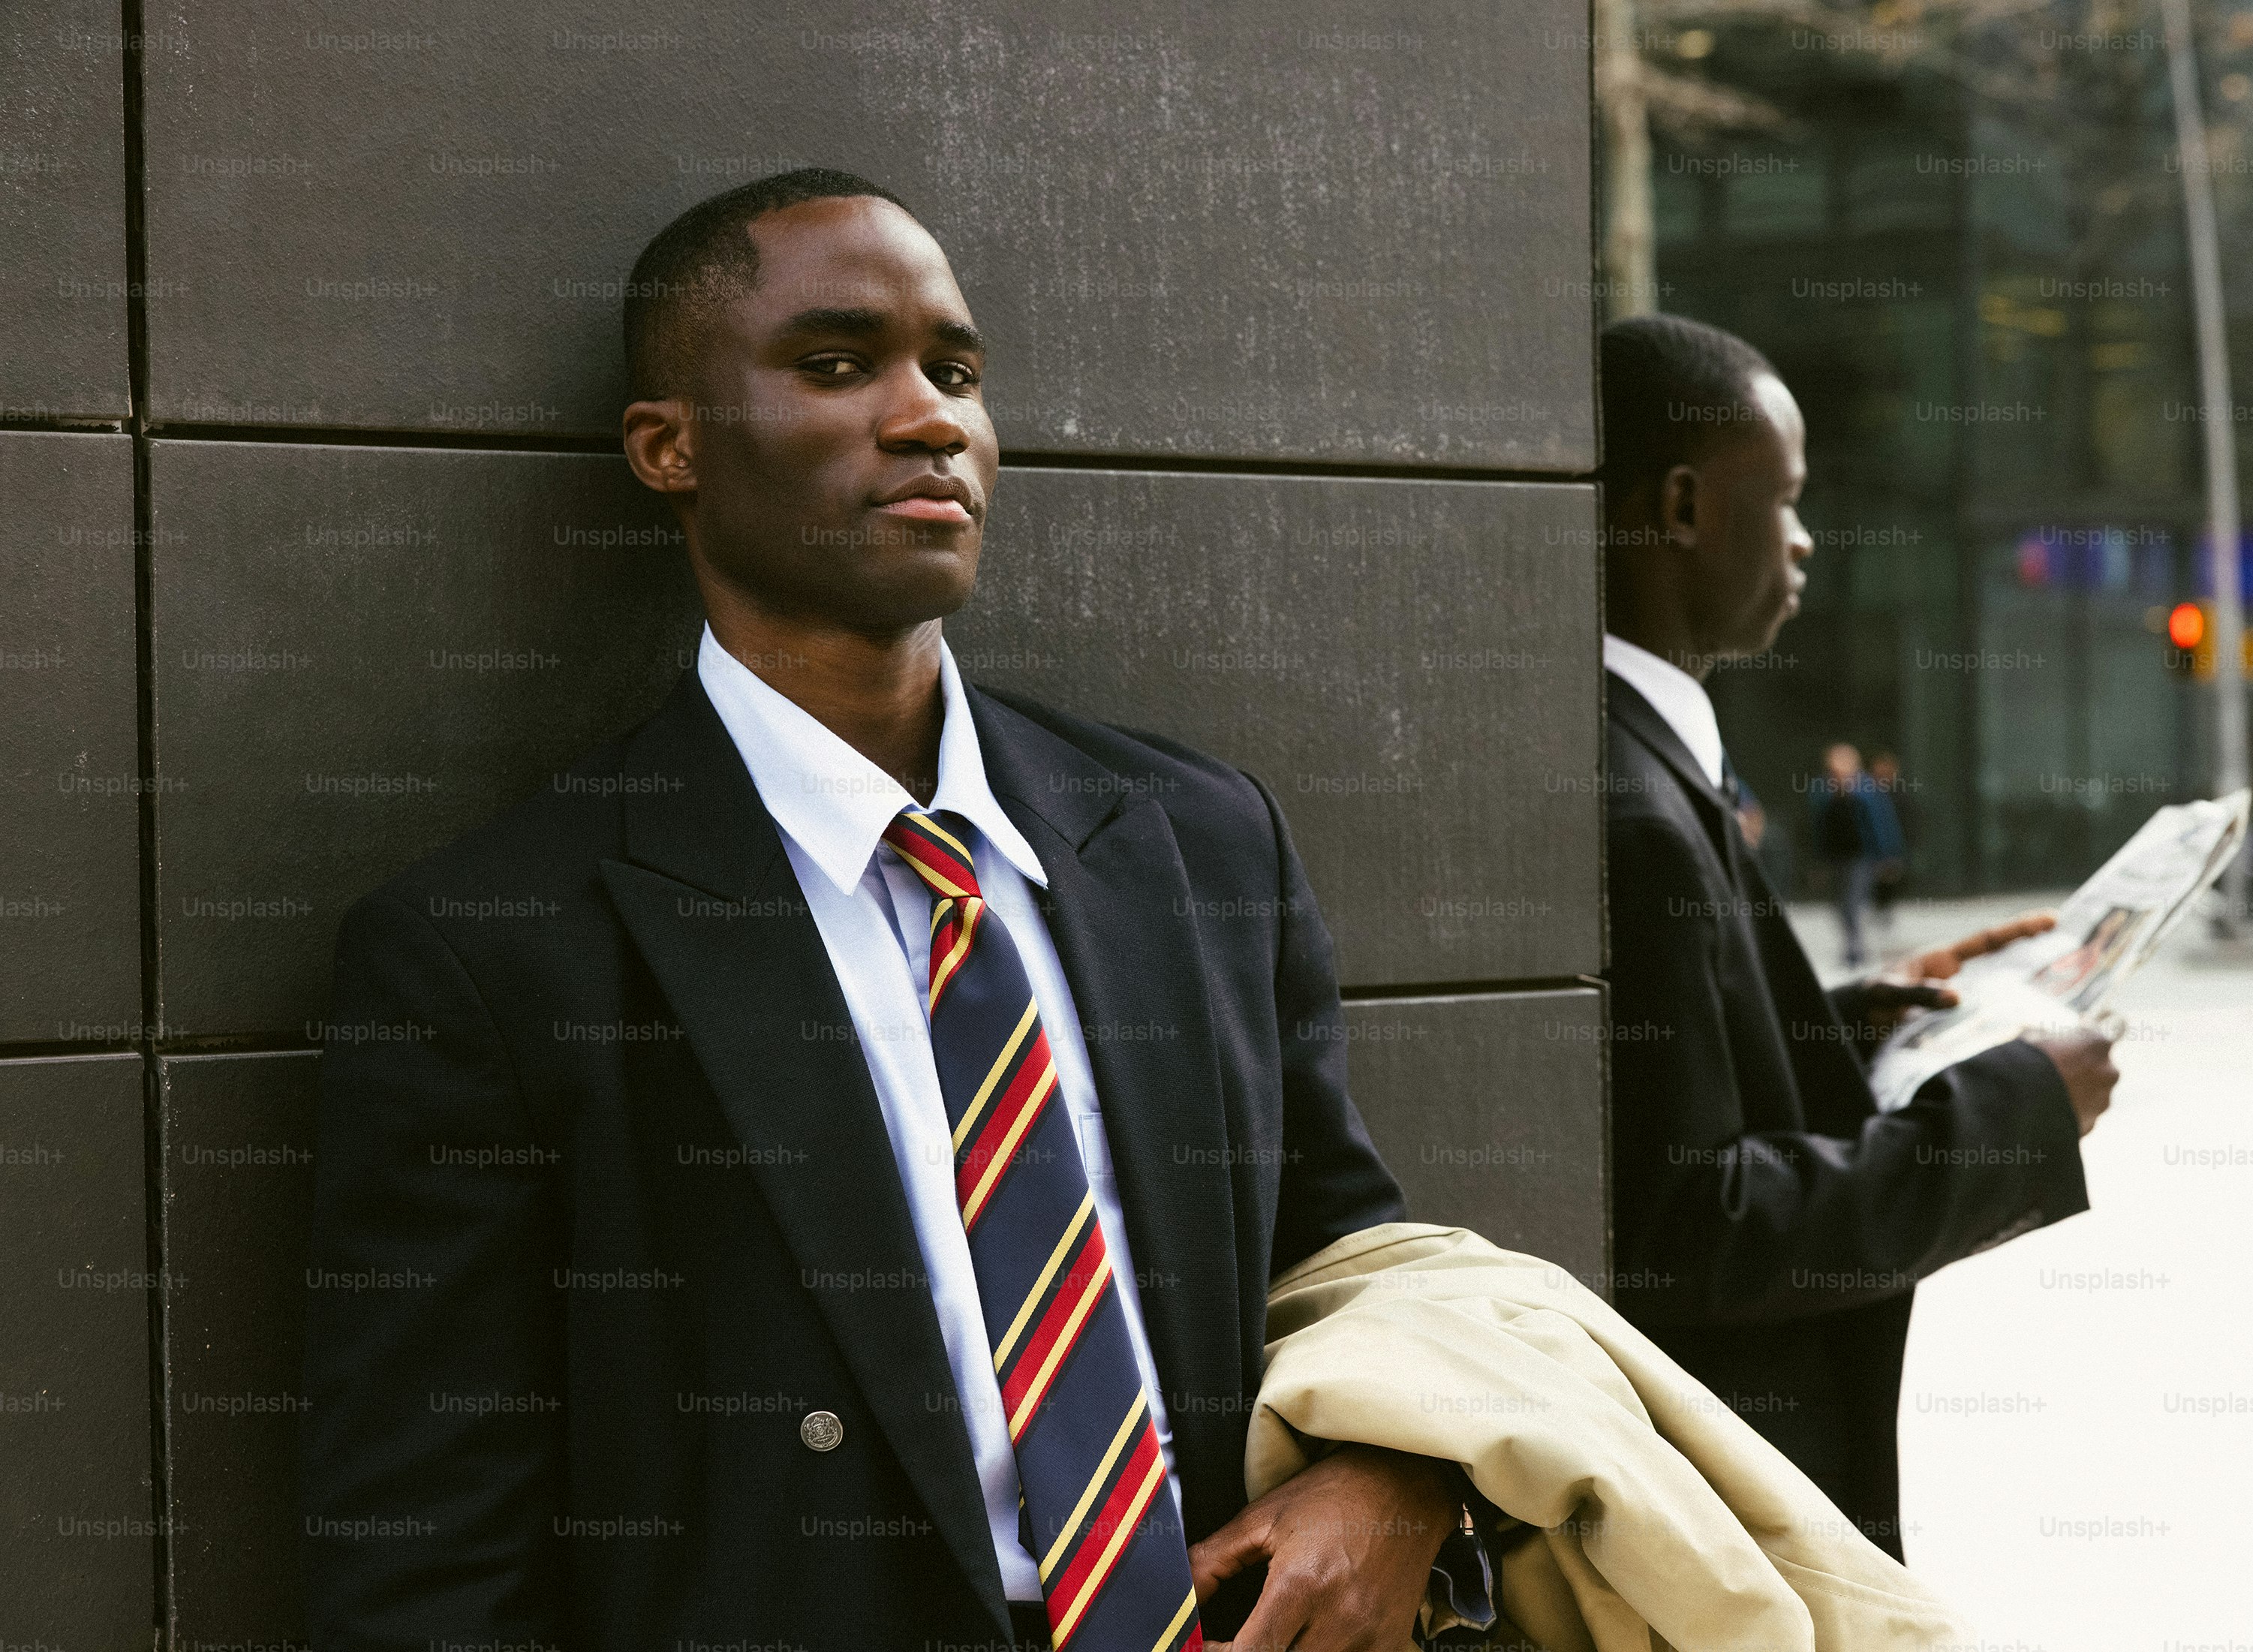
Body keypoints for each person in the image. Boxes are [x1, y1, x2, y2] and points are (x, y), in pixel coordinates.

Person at [301, 170, 1488, 1652]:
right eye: (836, 363)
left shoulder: (1195, 840)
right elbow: (424, 1556)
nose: (933, 417)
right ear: (669, 447)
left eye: (960, 371)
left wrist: (1394, 1480)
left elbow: (1347, 1267)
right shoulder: (491, 948)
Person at [1596, 314, 2119, 1560]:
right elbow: (1691, 1230)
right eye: (1781, 500)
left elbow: (1637, 1094)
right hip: (1719, 1519)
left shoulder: (1637, 755)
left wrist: (1835, 1020)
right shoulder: (1628, 804)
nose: (1805, 539)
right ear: (1680, 505)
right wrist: (2017, 1107)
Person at [1812, 742, 1872, 967]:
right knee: (1840, 905)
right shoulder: (1823, 792)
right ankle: (1850, 945)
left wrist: (1888, 855)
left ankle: (1855, 948)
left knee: (1852, 903)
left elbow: (1879, 824)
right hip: (1835, 858)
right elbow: (1818, 828)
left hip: (1859, 857)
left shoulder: (1865, 790)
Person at [1864, 749, 1912, 942]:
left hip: (1892, 852)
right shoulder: (1867, 793)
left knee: (1888, 888)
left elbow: (1907, 824)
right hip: (1871, 853)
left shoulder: (1899, 794)